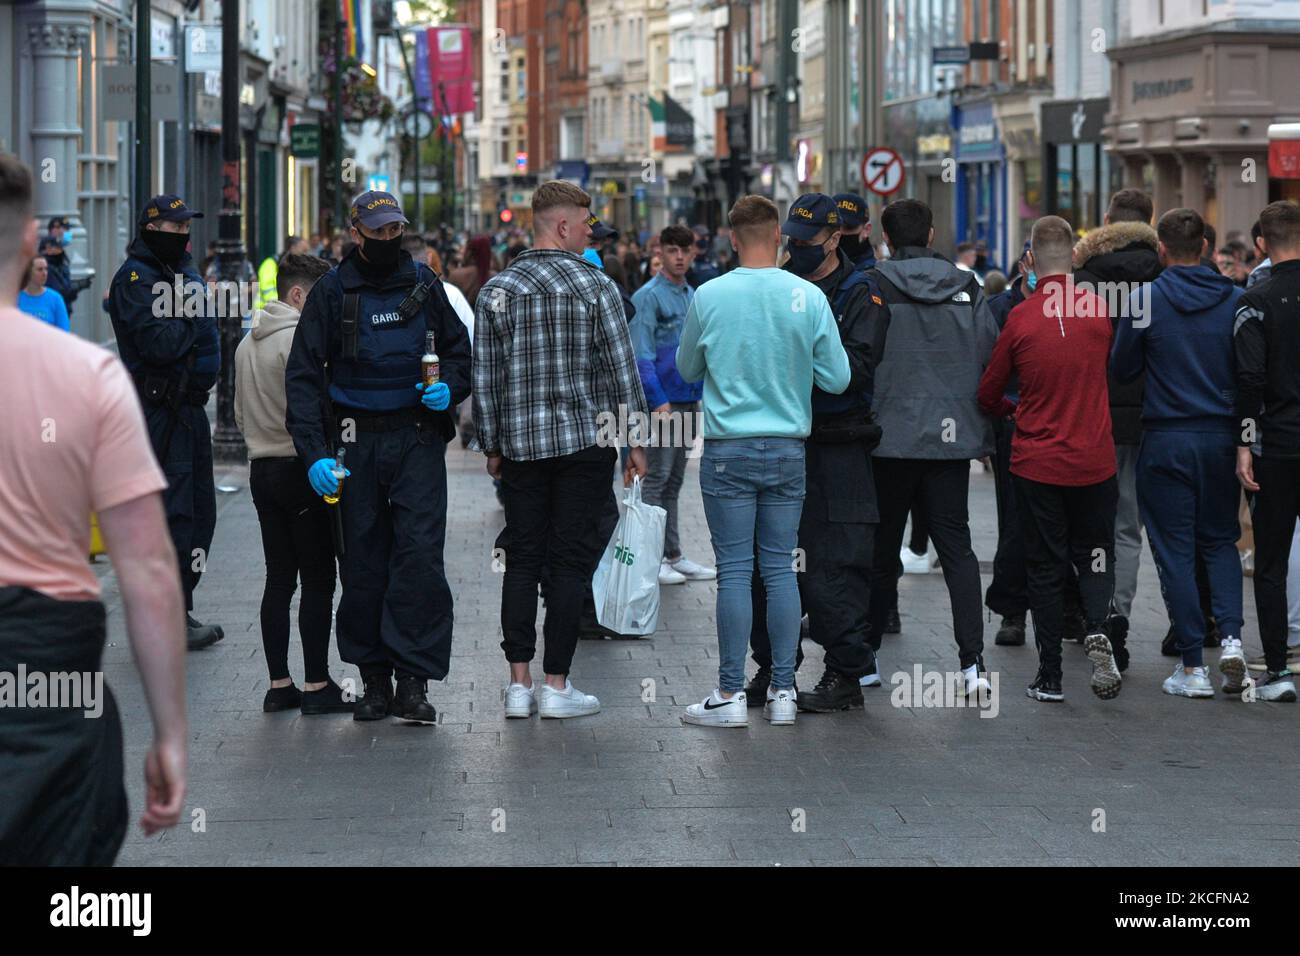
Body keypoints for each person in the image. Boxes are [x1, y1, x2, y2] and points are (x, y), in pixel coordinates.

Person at [0, 153, 186, 864]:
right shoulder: (86, 375)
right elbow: (146, 566)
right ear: (29, 245)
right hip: (48, 681)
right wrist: (168, 734)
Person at [285, 190, 471, 725]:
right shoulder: (330, 292)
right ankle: (373, 681)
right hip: (353, 442)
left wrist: (450, 389)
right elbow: (302, 377)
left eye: (395, 231)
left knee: (418, 558)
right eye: (379, 232)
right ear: (356, 231)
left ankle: (413, 682)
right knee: (363, 562)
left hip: (414, 439)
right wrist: (314, 454)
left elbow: (460, 353)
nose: (388, 240)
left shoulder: (424, 283)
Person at [472, 181, 648, 720]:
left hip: (523, 447)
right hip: (582, 444)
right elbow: (622, 371)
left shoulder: (497, 290)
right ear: (565, 225)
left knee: (523, 559)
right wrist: (634, 442)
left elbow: (486, 380)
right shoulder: (597, 288)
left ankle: (518, 685)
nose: (590, 231)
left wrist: (493, 444)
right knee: (569, 563)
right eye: (587, 222)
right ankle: (557, 684)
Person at [675, 194, 852, 728]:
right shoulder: (807, 296)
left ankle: (729, 693)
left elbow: (686, 369)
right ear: (779, 236)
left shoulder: (709, 295)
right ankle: (782, 690)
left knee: (734, 572)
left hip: (728, 449)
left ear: (732, 238)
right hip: (787, 450)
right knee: (780, 569)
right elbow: (839, 379)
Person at [745, 193, 888, 712]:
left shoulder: (861, 292)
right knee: (770, 565)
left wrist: (786, 369)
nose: (795, 249)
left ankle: (845, 672)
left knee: (834, 565)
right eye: (790, 240)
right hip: (784, 441)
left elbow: (853, 375)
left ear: (834, 239)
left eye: (805, 243)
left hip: (837, 447)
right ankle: (772, 668)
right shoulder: (780, 285)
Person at [978, 216, 1121, 702]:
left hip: (1038, 460)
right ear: (1076, 260)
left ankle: (1051, 675)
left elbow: (989, 390)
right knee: (1096, 552)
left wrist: (1011, 410)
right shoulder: (1100, 311)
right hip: (1095, 458)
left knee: (1044, 563)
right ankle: (1098, 623)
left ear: (1031, 262)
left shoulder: (1020, 317)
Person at [1111, 207, 1246, 698]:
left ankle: (1192, 666)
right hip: (1221, 437)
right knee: (1220, 541)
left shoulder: (1145, 299)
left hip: (1166, 436)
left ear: (1162, 250)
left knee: (1175, 552)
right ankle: (1230, 639)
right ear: (1206, 247)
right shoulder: (1235, 299)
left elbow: (1122, 367)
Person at [865, 198, 997, 697]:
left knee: (882, 552)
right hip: (949, 441)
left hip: (888, 439)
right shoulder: (968, 286)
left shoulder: (873, 285)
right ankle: (973, 665)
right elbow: (988, 354)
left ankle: (867, 657)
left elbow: (859, 357)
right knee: (957, 550)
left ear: (886, 237)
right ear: (934, 232)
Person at [107, 193, 224, 651]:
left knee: (199, 514)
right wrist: (194, 310)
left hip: (190, 411)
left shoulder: (178, 274)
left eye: (185, 229)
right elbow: (161, 344)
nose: (183, 236)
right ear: (152, 229)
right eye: (174, 230)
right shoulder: (136, 280)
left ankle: (181, 606)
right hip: (161, 411)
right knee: (172, 515)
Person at [236, 253, 352, 715]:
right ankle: (316, 683)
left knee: (278, 576)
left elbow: (240, 414)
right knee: (319, 579)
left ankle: (278, 682)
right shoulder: (300, 342)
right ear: (298, 294)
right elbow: (312, 410)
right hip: (302, 468)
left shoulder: (247, 343)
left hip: (261, 469)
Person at [1072, 188, 1162, 663]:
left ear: (1106, 221)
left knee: (1087, 522)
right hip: (1153, 416)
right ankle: (1117, 618)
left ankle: (1090, 612)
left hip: (1092, 415)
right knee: (1130, 526)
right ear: (1149, 223)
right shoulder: (1163, 276)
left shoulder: (1084, 279)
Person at [1233, 199, 1300, 702]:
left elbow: (1250, 377)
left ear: (1264, 244)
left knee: (1271, 560)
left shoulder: (1255, 300)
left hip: (1277, 444)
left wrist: (1244, 442)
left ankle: (1277, 671)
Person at [630, 225, 715, 587]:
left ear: (694, 252)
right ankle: (652, 559)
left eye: (686, 250)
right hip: (663, 403)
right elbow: (641, 353)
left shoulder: (692, 294)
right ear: (660, 252)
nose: (680, 256)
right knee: (658, 479)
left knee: (674, 480)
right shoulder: (648, 297)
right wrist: (657, 400)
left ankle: (673, 553)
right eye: (672, 250)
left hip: (687, 399)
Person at [17, 255, 70, 330]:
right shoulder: (16, 299)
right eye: (40, 269)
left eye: (46, 269)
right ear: (29, 272)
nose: (44, 273)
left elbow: (64, 331)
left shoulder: (55, 299)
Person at [832, 193, 877, 269]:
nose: (839, 233)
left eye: (848, 227)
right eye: (835, 226)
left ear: (866, 229)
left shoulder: (873, 277)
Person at [686, 224, 721, 288]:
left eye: (705, 236)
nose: (704, 239)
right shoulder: (687, 260)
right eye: (700, 236)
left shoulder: (713, 257)